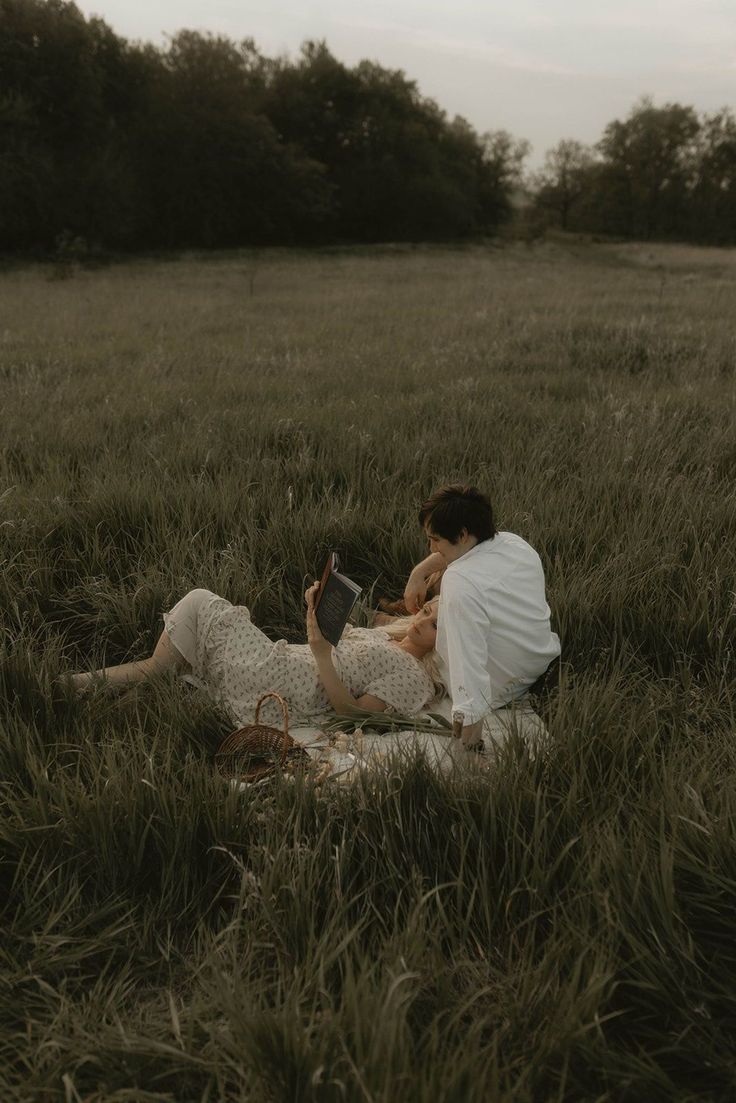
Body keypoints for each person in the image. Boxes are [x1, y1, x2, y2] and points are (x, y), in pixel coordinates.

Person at [68, 583, 442, 728]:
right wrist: (316, 607)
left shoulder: (415, 678)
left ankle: (75, 689)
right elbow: (324, 639)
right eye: (427, 612)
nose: (422, 621)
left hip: (285, 679)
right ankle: (80, 690)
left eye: (436, 626)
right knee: (167, 661)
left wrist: (322, 656)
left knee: (200, 605)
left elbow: (354, 713)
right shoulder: (389, 635)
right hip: (288, 661)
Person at [404, 485, 560, 749]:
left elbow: (468, 663)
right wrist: (418, 573)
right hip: (538, 659)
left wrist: (469, 738)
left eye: (435, 540)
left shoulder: (460, 584)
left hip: (500, 685)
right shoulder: (513, 543)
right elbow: (462, 555)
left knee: (412, 636)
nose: (430, 547)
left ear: (463, 534)